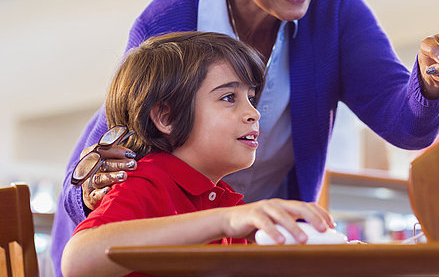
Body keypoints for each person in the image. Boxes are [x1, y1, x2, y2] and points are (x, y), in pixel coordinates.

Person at [51, 0, 439, 275]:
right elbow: (116, 152)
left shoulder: (333, 5)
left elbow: (405, 123)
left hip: (246, 228)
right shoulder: (169, 22)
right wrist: (93, 187)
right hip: (139, 240)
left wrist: (434, 79)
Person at [61, 32, 335, 277]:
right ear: (166, 117)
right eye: (229, 98)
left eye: (251, 98)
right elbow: (78, 260)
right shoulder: (147, 182)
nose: (254, 113)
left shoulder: (223, 200)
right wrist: (224, 223)